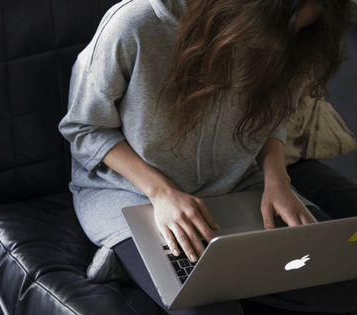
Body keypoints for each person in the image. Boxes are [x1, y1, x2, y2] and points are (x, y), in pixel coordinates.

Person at [59, 0, 356, 314]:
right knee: (205, 306)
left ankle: (216, 274)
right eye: (274, 27)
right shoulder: (134, 24)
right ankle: (132, 256)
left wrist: (277, 178)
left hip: (239, 186)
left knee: (344, 281)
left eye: (295, 31)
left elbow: (273, 117)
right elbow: (84, 127)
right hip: (132, 193)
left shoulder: (294, 41)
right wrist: (162, 193)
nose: (279, 45)